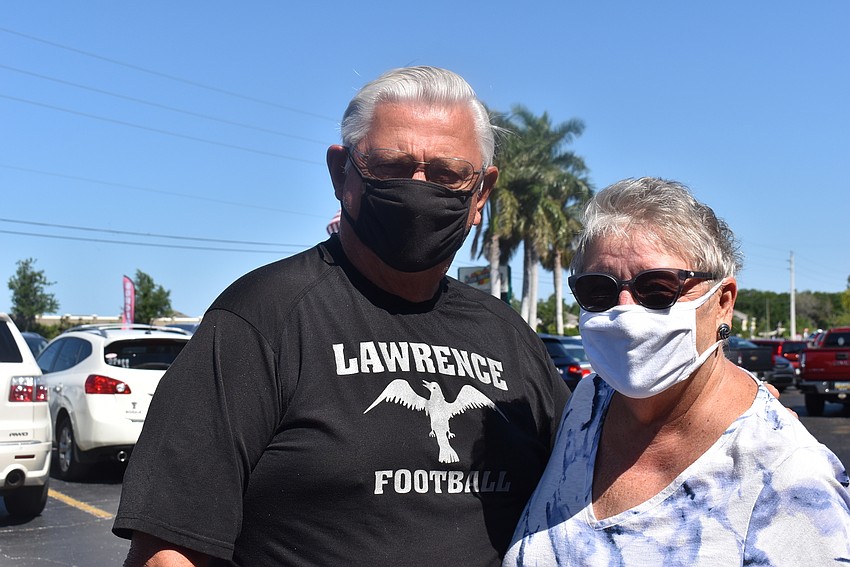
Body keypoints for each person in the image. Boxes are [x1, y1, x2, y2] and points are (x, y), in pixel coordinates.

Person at [113, 66, 570, 566]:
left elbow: (588, 488)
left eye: (446, 175)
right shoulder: (261, 319)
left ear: (480, 193)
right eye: (391, 167)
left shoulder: (509, 336)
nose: (418, 191)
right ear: (340, 174)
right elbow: (169, 551)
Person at [502, 178, 850, 566]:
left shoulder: (788, 477)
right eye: (598, 290)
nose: (625, 312)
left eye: (657, 288)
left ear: (722, 302)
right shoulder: (588, 404)